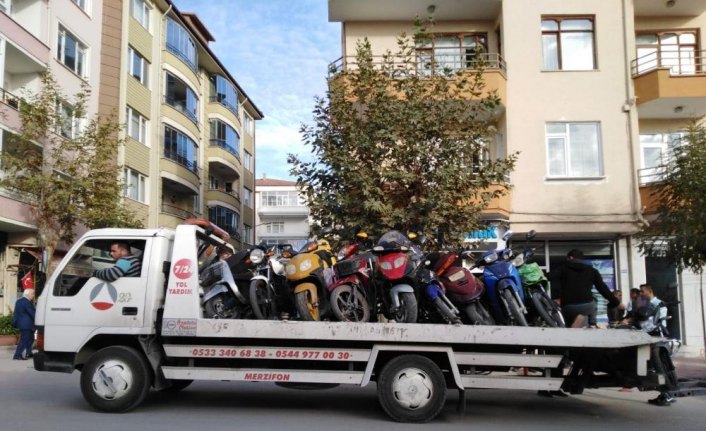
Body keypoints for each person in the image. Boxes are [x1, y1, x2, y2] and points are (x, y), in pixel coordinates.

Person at [550, 249, 620, 328]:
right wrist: (614, 301)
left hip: (568, 306)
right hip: (586, 305)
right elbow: (602, 288)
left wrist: (556, 297)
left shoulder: (562, 269)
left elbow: (553, 280)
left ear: (570, 258)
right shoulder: (592, 271)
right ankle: (592, 323)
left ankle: (572, 327)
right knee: (594, 301)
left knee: (568, 324)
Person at [636, 284, 674, 406]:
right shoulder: (645, 304)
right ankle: (665, 394)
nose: (640, 294)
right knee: (656, 367)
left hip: (658, 337)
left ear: (649, 291)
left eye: (642, 292)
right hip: (650, 337)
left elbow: (660, 321)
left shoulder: (659, 304)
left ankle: (667, 394)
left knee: (661, 367)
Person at [12, 289, 36, 360]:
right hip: (27, 325)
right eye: (32, 294)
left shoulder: (19, 301)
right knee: (24, 340)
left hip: (22, 324)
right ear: (27, 294)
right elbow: (32, 313)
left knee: (30, 339)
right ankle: (17, 355)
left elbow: (16, 313)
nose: (33, 295)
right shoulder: (27, 302)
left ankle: (29, 353)